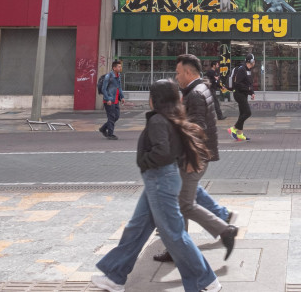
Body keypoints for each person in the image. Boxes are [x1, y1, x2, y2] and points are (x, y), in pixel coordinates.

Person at [92, 79, 222, 292]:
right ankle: (115, 276)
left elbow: (163, 152)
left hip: (160, 180)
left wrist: (144, 161)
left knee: (173, 234)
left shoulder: (158, 121)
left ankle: (204, 280)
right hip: (160, 180)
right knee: (136, 229)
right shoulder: (173, 118)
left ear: (154, 99)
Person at [151, 54, 238, 264]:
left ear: (189, 73)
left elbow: (198, 128)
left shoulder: (196, 94)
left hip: (194, 157)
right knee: (181, 203)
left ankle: (225, 231)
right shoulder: (197, 90)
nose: (176, 76)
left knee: (184, 206)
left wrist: (191, 156)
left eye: (179, 72)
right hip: (193, 155)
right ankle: (177, 249)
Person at [228, 54, 256, 141]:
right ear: (250, 61)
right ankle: (234, 128)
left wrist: (251, 92)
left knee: (242, 113)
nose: (255, 62)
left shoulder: (248, 70)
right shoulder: (242, 69)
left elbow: (248, 83)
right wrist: (247, 89)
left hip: (243, 94)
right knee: (247, 113)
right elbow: (238, 84)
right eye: (254, 61)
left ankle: (239, 133)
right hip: (238, 94)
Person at [99, 60, 123, 140]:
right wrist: (107, 99)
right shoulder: (108, 76)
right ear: (114, 68)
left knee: (116, 116)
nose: (120, 68)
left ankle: (103, 128)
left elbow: (119, 87)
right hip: (109, 100)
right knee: (111, 116)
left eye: (120, 66)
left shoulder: (118, 76)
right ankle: (110, 134)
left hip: (116, 100)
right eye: (119, 66)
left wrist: (122, 97)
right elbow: (103, 89)